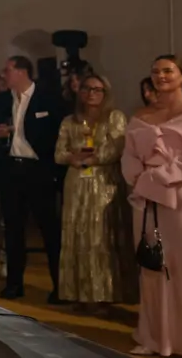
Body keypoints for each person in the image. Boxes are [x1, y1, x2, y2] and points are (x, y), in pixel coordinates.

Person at [122, 55, 182, 357]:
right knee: (152, 268)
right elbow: (129, 155)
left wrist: (156, 178)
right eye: (155, 71)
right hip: (146, 200)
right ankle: (155, 338)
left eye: (168, 70)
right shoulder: (141, 115)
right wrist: (138, 178)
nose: (161, 75)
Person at [0, 55, 66, 302]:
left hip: (38, 170)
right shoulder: (0, 101)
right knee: (13, 230)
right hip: (11, 169)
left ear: (22, 72)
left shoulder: (49, 99)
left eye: (8, 70)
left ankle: (60, 286)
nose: (4, 74)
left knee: (49, 229)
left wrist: (54, 171)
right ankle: (14, 284)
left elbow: (58, 135)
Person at [54, 74, 135, 306]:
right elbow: (58, 153)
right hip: (76, 183)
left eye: (97, 90)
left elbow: (117, 149)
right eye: (87, 89)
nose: (91, 94)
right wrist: (73, 158)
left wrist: (91, 159)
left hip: (104, 182)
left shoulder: (114, 118)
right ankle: (80, 294)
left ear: (105, 93)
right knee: (77, 236)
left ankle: (107, 293)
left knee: (102, 237)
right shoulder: (70, 121)